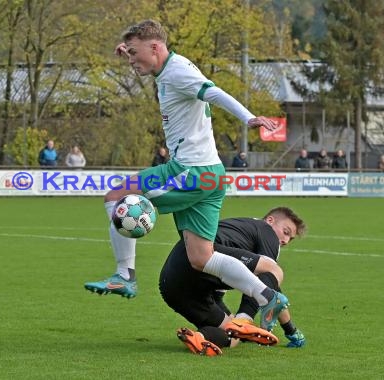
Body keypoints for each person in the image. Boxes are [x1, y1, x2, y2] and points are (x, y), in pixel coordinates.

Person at [84, 20, 286, 328]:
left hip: (190, 171)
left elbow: (213, 92)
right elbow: (148, 57)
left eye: (135, 54)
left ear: (155, 48)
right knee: (200, 257)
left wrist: (249, 118)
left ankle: (125, 276)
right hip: (211, 176)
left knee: (117, 196)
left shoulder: (178, 71)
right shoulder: (166, 68)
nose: (131, 62)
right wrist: (129, 50)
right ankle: (265, 295)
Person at [161, 207, 307, 355]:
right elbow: (269, 282)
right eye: (286, 232)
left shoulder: (240, 232)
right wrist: (290, 329)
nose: (286, 240)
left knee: (233, 336)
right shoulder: (266, 230)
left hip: (172, 285)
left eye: (291, 238)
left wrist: (229, 318)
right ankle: (244, 320)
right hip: (201, 254)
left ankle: (200, 337)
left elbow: (220, 295)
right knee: (274, 270)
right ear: (270, 220)